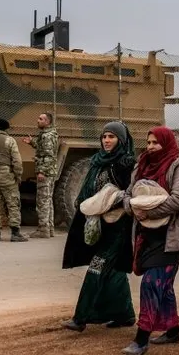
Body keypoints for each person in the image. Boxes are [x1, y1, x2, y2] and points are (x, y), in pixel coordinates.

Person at [120, 126, 179, 355]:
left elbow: (178, 198)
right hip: (146, 238)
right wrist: (133, 208)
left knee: (151, 284)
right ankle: (173, 331)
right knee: (163, 288)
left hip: (171, 239)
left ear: (167, 143)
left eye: (156, 143)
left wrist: (149, 213)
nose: (151, 147)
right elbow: (128, 194)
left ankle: (141, 340)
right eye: (148, 142)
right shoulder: (142, 164)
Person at [60, 121, 137, 332]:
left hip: (117, 227)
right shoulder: (97, 161)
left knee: (97, 267)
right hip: (98, 226)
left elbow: (132, 193)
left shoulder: (126, 164)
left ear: (121, 140)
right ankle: (125, 315)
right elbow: (87, 190)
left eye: (111, 137)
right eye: (104, 137)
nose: (106, 140)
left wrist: (114, 201)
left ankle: (81, 318)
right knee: (115, 271)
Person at [23, 112, 59, 238]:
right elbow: (43, 149)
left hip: (46, 173)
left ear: (47, 122)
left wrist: (41, 171)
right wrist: (32, 143)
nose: (38, 120)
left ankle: (43, 230)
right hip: (51, 172)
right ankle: (49, 229)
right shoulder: (48, 134)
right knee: (48, 200)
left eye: (41, 119)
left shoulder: (47, 136)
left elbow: (48, 155)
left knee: (42, 201)